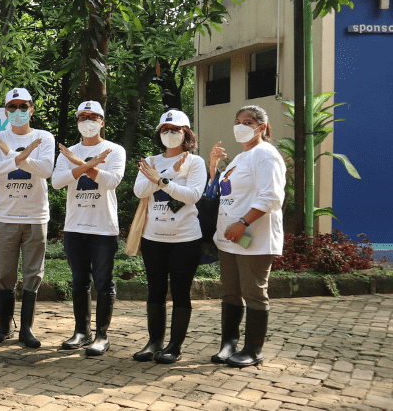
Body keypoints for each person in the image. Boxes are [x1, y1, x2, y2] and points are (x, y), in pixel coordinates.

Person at [211, 105, 285, 368]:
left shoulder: (265, 155)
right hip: (229, 239)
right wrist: (213, 167)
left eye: (249, 121)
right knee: (230, 293)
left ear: (262, 127)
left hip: (254, 238)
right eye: (238, 121)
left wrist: (242, 223)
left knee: (254, 293)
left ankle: (254, 349)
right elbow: (227, 193)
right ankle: (229, 343)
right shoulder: (239, 158)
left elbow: (272, 197)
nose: (241, 125)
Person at [131, 110, 207, 364]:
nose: (170, 134)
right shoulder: (150, 159)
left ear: (187, 134)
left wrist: (163, 179)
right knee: (155, 291)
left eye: (176, 130)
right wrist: (163, 177)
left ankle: (174, 346)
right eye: (165, 129)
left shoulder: (195, 162)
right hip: (154, 238)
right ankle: (154, 342)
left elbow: (192, 195)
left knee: (180, 292)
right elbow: (139, 190)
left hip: (185, 239)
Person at [52, 100, 127, 356]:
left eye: (93, 117)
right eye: (83, 116)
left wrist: (80, 165)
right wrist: (85, 163)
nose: (88, 121)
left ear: (102, 122)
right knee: (79, 281)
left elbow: (112, 181)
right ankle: (81, 332)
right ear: (77, 122)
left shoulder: (114, 150)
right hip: (75, 225)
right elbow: (57, 182)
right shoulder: (68, 151)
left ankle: (102, 336)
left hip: (103, 228)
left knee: (103, 282)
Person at [0, 87, 55, 348]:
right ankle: (4, 326)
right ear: (5, 111)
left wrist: (12, 156)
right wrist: (24, 158)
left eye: (23, 106)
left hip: (36, 216)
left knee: (33, 273)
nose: (17, 111)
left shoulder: (44, 137)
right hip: (5, 215)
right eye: (12, 107)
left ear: (32, 109)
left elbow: (45, 169)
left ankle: (26, 328)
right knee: (5, 273)